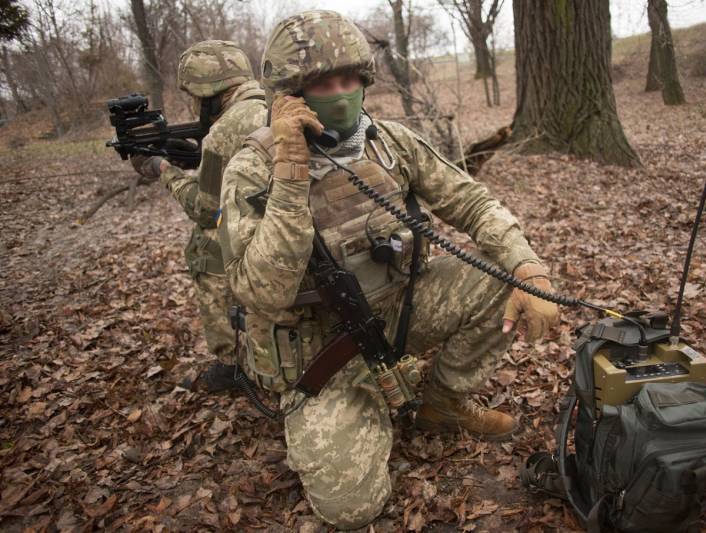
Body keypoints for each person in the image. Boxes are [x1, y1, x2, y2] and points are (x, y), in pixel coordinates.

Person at [218, 10, 560, 529]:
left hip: (401, 309)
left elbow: (472, 202)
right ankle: (362, 402)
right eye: (321, 83)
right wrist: (291, 169)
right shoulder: (252, 168)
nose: (340, 93)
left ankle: (443, 403)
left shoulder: (389, 142)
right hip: (321, 350)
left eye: (349, 79)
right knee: (351, 509)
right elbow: (262, 291)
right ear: (289, 93)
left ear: (365, 79)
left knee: (502, 278)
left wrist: (528, 267)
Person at [130, 40, 267, 391]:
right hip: (285, 224)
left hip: (258, 236)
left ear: (209, 93)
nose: (191, 104)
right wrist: (196, 160)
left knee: (205, 245)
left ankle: (232, 363)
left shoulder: (223, 131)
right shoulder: (274, 104)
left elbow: (207, 211)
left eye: (193, 95)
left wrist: (163, 169)